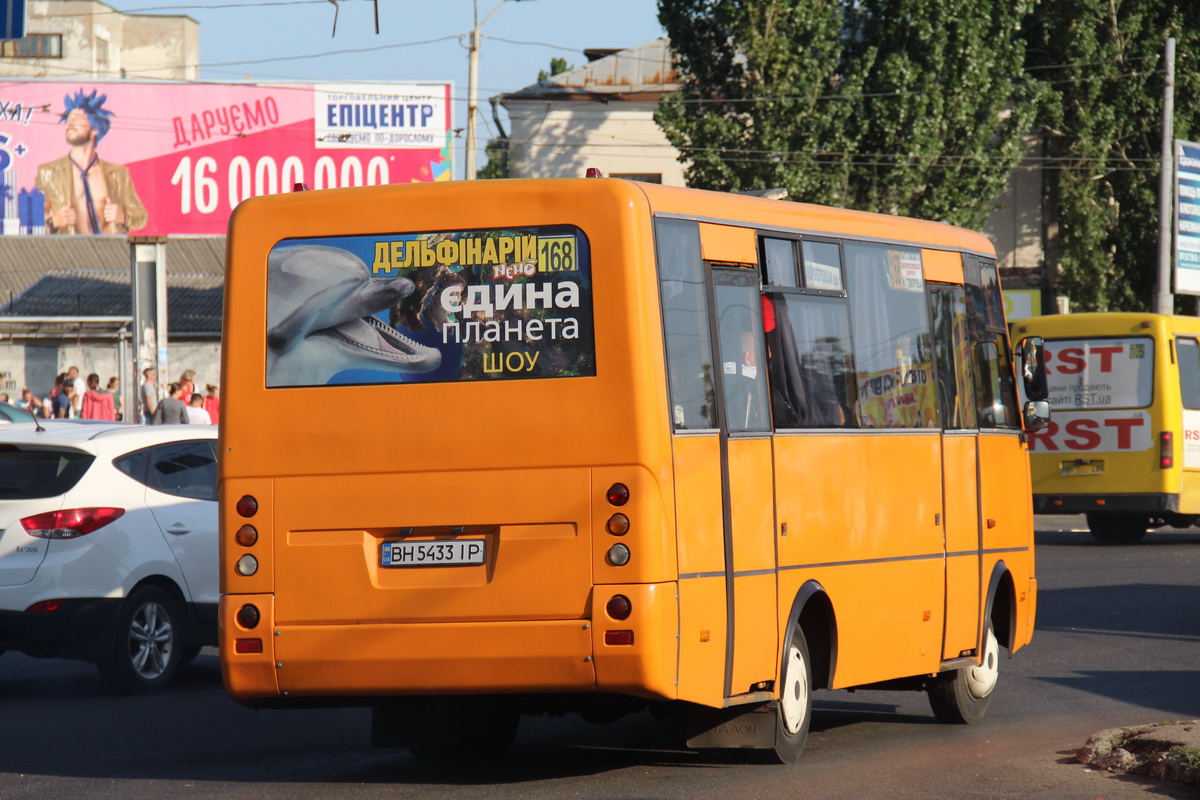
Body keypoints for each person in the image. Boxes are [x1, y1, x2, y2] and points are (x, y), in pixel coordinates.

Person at [34, 88, 147, 235]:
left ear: (95, 129)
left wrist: (123, 218)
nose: (70, 124)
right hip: (67, 252)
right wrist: (53, 222)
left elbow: (141, 216)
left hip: (109, 252)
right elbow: (30, 220)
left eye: (78, 119)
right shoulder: (48, 172)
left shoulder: (117, 174)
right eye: (68, 119)